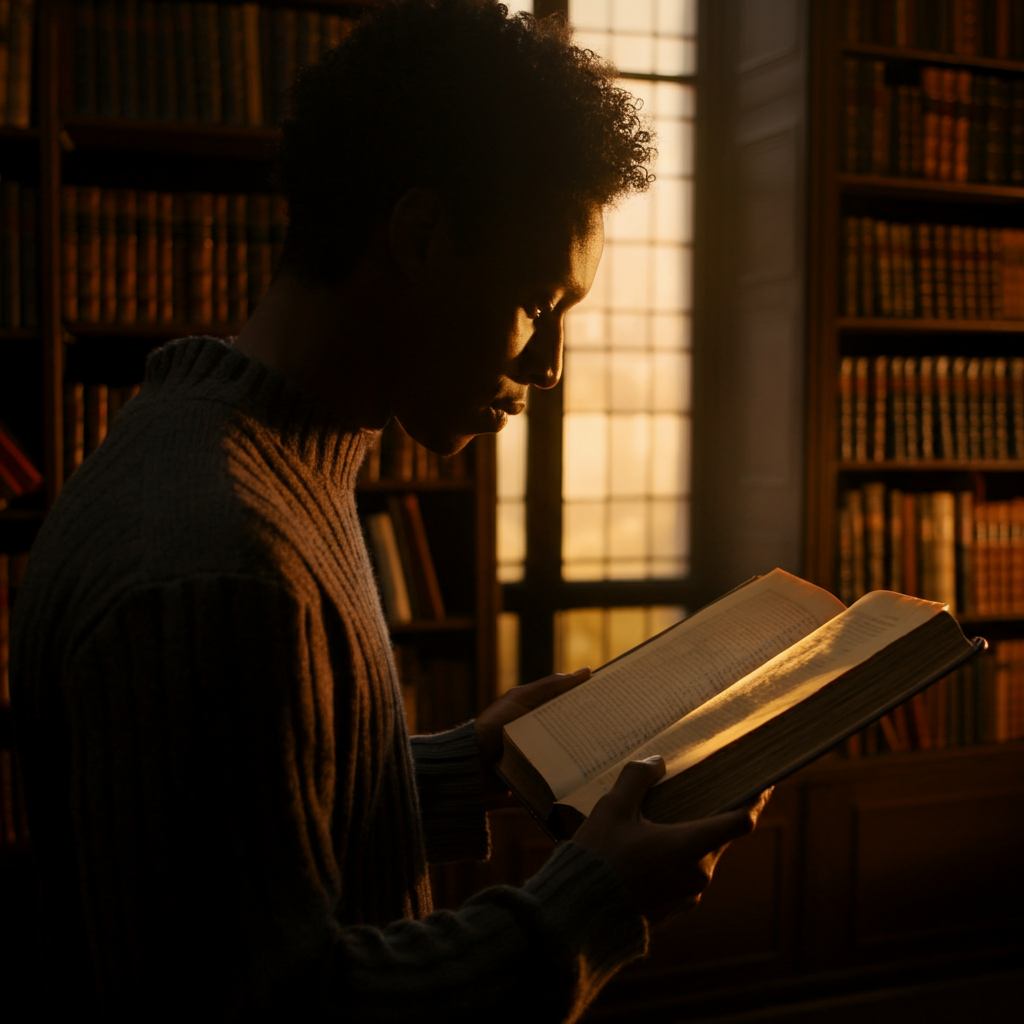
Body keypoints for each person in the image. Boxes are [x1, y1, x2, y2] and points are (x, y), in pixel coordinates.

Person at [11, 2, 769, 1020]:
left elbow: (231, 831)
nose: (547, 369)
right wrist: (591, 901)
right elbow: (275, 1004)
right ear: (418, 235)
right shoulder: (216, 564)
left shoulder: (248, 463)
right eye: (539, 304)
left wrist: (474, 765)